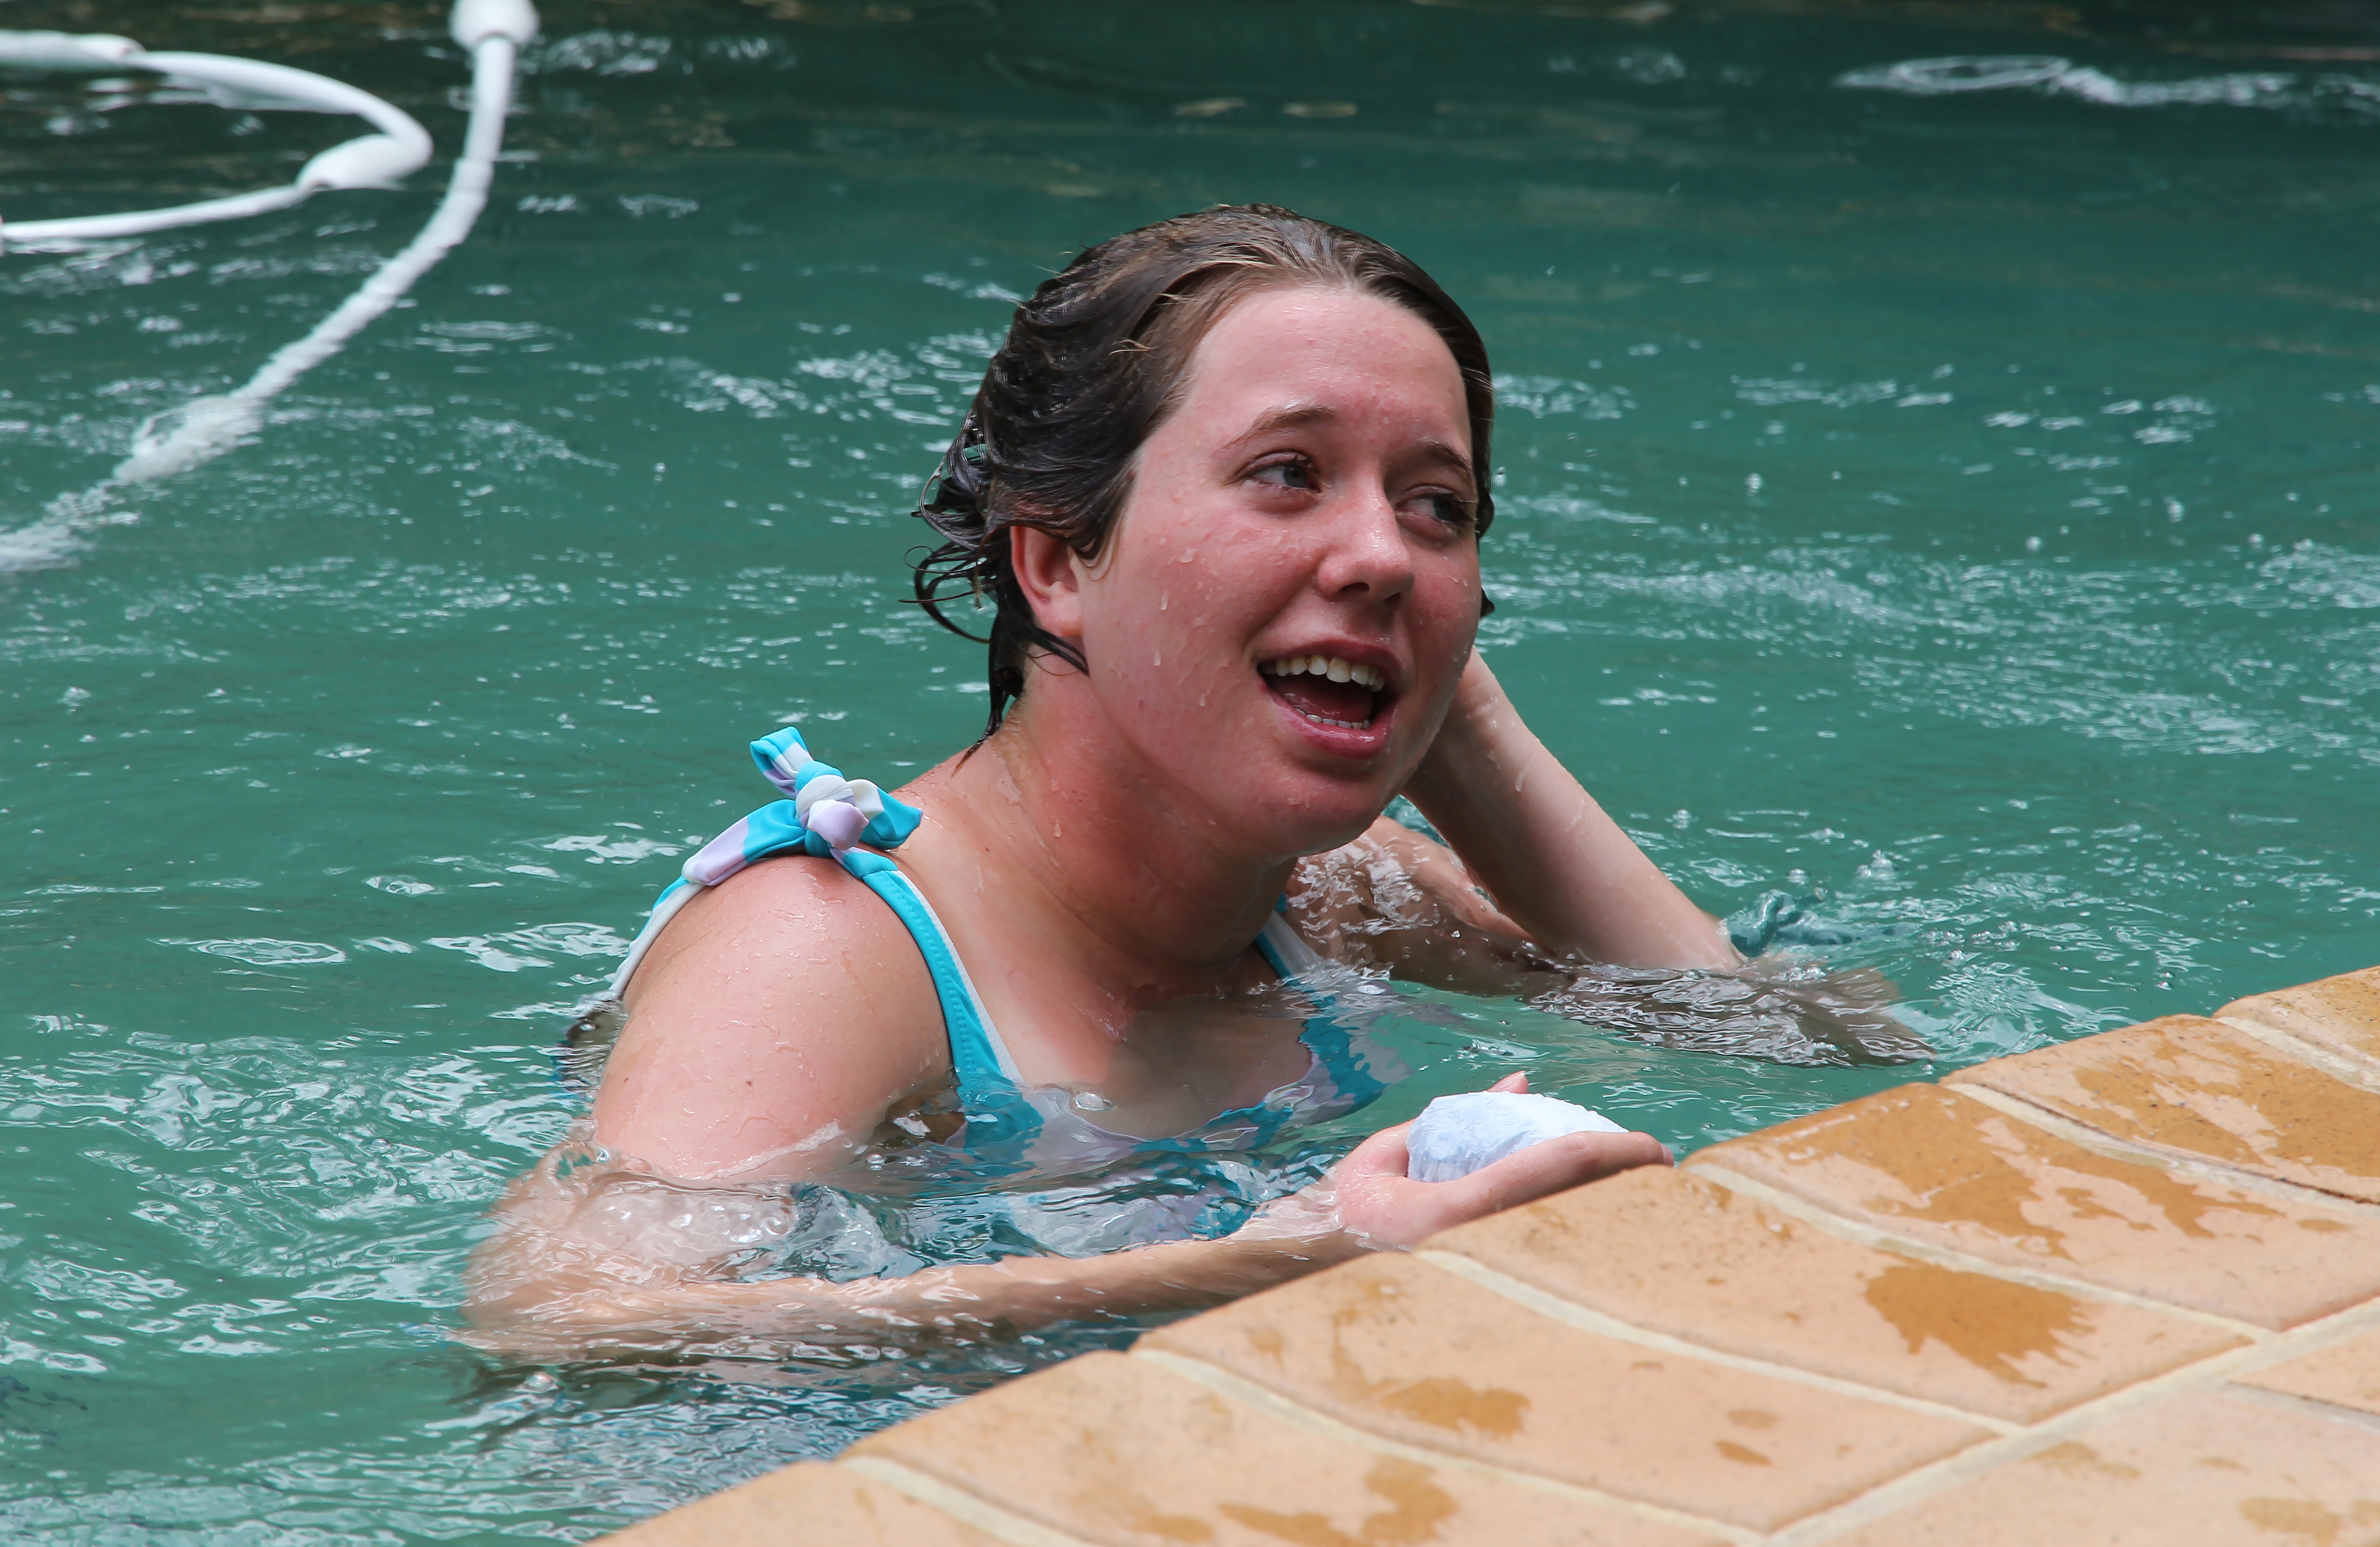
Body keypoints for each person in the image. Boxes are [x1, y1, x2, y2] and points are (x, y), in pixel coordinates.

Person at [461, 205, 1742, 1362]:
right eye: (1288, 473)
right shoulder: (831, 952)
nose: (1384, 554)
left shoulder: (1328, 902)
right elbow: (559, 1321)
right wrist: (1277, 1259)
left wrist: (1458, 717)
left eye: (1437, 507)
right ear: (1057, 564)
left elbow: (1761, 1031)